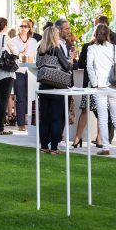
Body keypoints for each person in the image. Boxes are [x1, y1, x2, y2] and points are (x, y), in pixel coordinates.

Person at [86, 24, 116, 155]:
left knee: (103, 118)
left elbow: (89, 67)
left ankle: (105, 147)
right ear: (108, 34)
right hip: (115, 85)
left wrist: (94, 83)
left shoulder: (91, 48)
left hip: (100, 86)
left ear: (95, 34)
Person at [37, 26, 71, 154]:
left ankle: (44, 146)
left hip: (44, 86)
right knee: (56, 118)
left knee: (44, 118)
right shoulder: (56, 49)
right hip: (57, 86)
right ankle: (54, 148)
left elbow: (37, 65)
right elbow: (66, 67)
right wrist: (71, 61)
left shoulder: (40, 49)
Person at [0, 17, 18, 135]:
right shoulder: (6, 37)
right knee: (4, 100)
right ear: (5, 26)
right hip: (6, 71)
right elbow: (15, 52)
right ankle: (0, 128)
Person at [12, 18, 38, 131]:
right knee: (20, 97)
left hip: (31, 71)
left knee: (31, 97)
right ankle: (21, 123)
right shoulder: (13, 40)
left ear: (29, 28)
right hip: (18, 71)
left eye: (25, 26)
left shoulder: (33, 42)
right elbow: (11, 55)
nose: (23, 28)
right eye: (21, 26)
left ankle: (31, 122)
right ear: (18, 28)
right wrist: (20, 53)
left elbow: (35, 56)